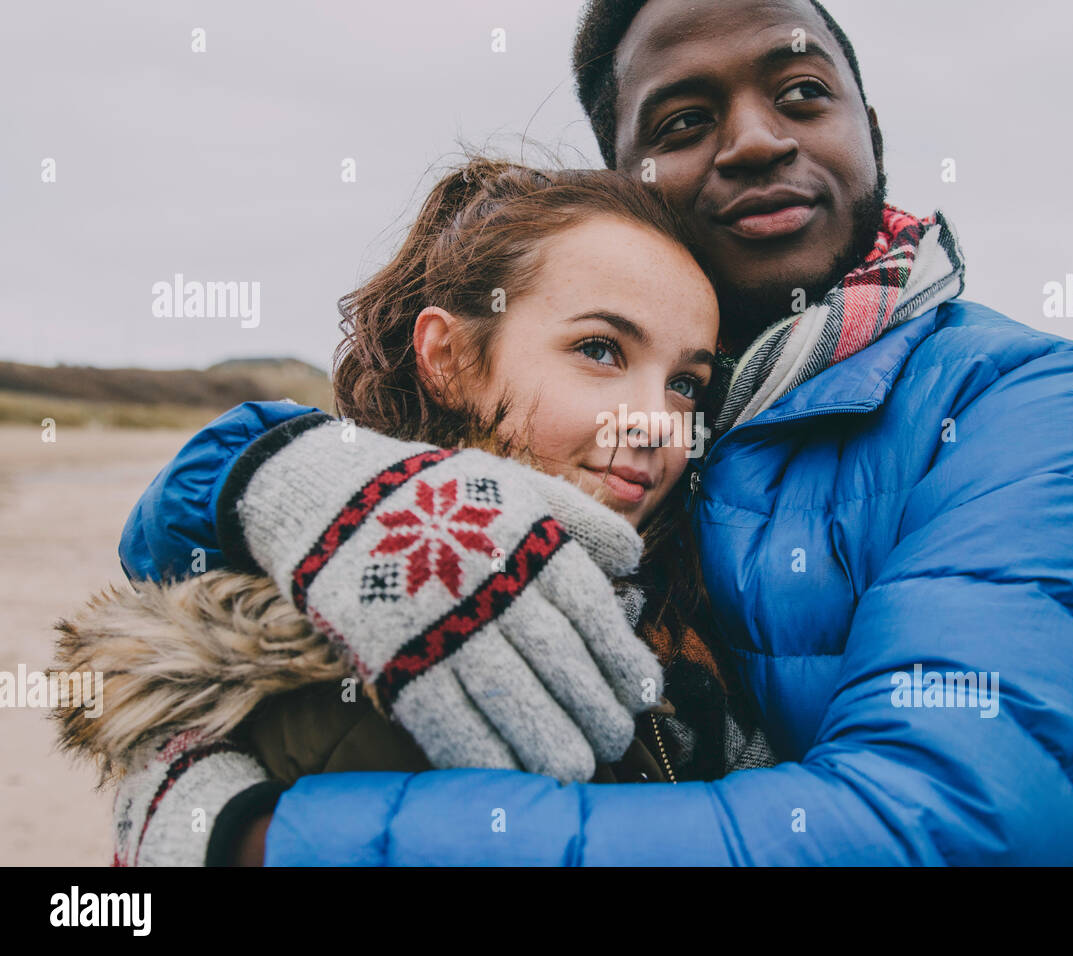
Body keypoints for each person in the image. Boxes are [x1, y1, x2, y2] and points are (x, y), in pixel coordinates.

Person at [91, 0, 1073, 865]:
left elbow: (950, 828)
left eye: (803, 92)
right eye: (683, 120)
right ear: (630, 176)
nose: (755, 139)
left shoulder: (1025, 403)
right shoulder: (479, 495)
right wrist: (261, 468)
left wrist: (254, 841)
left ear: (869, 130)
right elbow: (179, 594)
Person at [51, 158, 775, 866]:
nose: (656, 421)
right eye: (600, 349)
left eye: (686, 384)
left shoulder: (678, 615)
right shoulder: (365, 661)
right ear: (450, 357)